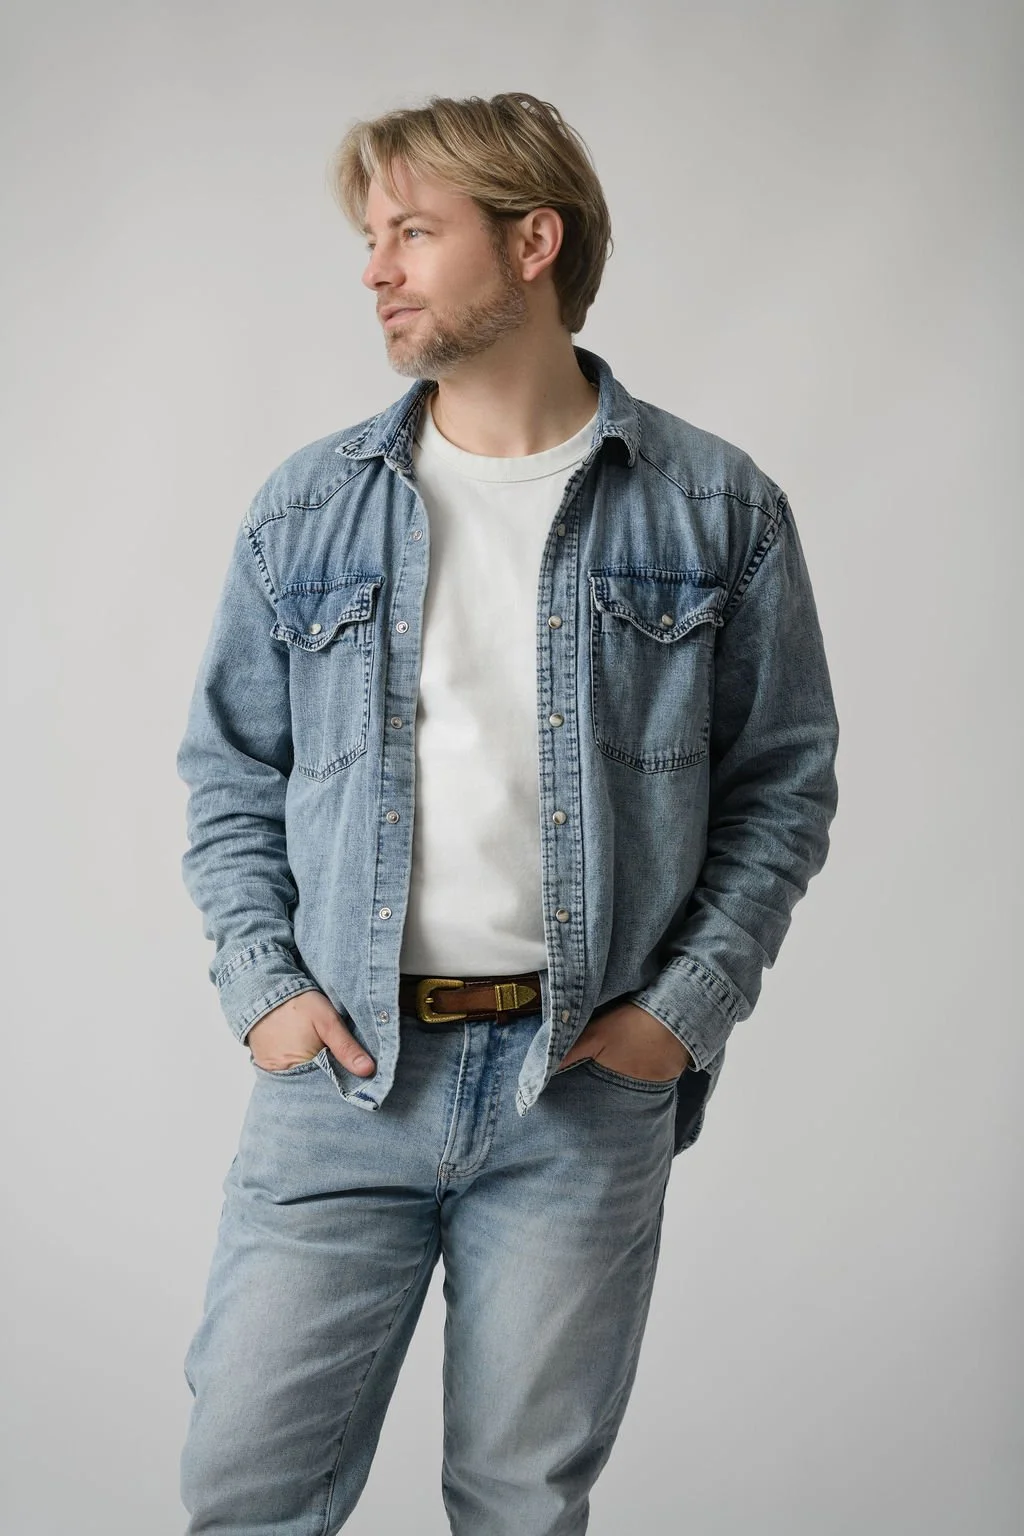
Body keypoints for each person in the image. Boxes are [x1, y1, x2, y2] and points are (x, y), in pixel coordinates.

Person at [175, 90, 840, 1535]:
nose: (376, 270)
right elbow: (228, 771)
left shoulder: (716, 509)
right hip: (342, 1081)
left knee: (520, 1506)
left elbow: (783, 785)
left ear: (534, 243)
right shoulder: (308, 511)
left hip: (579, 1091)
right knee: (245, 1488)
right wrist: (266, 988)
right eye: (371, 238)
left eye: (413, 232)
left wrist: (682, 1013)